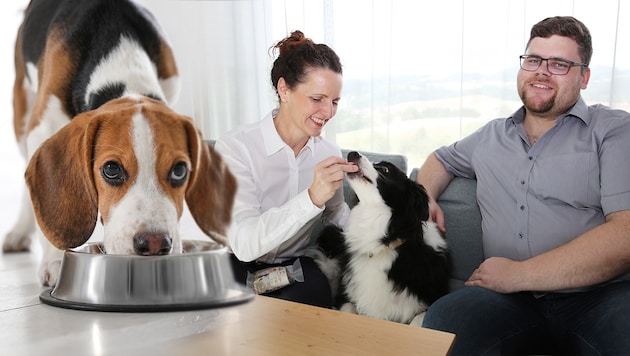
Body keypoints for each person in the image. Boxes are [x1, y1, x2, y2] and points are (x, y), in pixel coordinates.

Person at [416, 16, 630, 354]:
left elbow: (625, 235)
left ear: (584, 77)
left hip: (599, 298)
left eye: (559, 63)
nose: (541, 71)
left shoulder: (614, 131)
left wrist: (518, 274)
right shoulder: (490, 135)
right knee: (450, 319)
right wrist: (424, 195)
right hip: (507, 302)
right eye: (533, 60)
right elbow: (439, 160)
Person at [215, 31, 357, 308]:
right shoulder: (235, 149)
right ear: (284, 90)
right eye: (317, 99)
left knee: (313, 311)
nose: (328, 112)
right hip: (234, 264)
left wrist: (387, 237)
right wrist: (311, 198)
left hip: (295, 268)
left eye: (335, 101)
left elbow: (337, 213)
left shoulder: (328, 152)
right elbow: (244, 244)